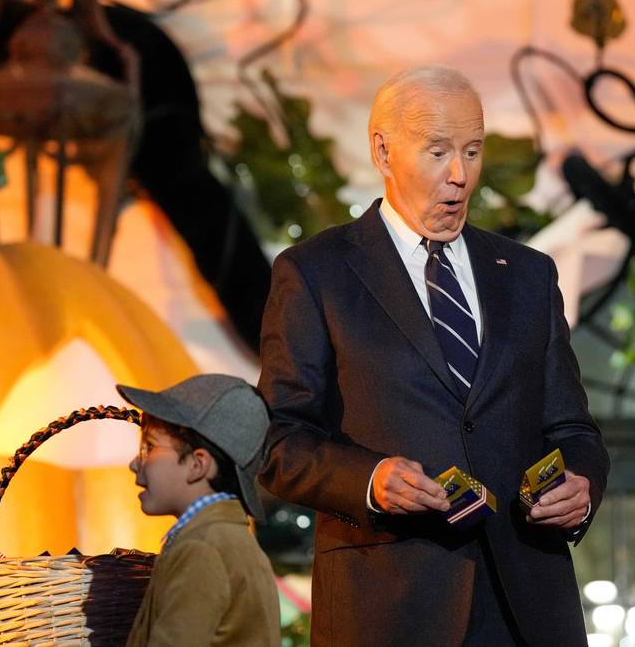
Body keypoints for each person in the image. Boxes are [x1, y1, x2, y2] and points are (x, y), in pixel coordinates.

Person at [257, 65, 610, 646]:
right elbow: (279, 440)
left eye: (473, 151)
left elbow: (574, 428)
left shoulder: (528, 274)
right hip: (389, 607)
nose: (460, 176)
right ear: (383, 151)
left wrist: (581, 481)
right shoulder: (315, 274)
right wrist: (369, 479)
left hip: (526, 608)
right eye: (438, 151)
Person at [119, 374, 281, 646]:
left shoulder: (201, 549)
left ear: (197, 464)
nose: (135, 464)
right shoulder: (227, 539)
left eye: (149, 447)